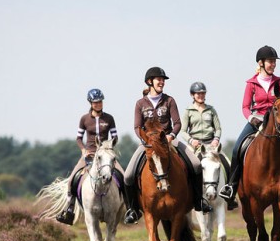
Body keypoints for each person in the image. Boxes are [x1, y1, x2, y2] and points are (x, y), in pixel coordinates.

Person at [218, 45, 280, 205]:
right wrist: (251, 118)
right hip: (257, 119)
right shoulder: (251, 83)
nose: (273, 64)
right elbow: (244, 106)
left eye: (274, 62)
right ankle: (231, 187)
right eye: (270, 61)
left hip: (276, 122)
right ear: (261, 63)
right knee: (237, 149)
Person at [123, 67, 213, 224]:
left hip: (169, 140)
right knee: (128, 175)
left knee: (196, 164)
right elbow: (137, 127)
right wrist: (145, 140)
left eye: (163, 79)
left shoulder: (169, 100)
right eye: (159, 79)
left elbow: (177, 123)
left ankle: (199, 201)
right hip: (149, 144)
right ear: (150, 81)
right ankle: (133, 209)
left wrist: (171, 136)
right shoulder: (140, 104)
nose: (162, 82)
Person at [56, 88, 123, 225]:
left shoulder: (109, 118)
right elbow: (79, 138)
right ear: (91, 103)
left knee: (124, 177)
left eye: (100, 102)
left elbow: (115, 136)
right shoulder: (84, 119)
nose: (99, 104)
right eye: (96, 102)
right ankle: (68, 210)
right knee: (71, 181)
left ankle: (130, 208)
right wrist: (83, 150)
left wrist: (109, 147)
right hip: (90, 154)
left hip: (106, 155)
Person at [179, 82, 236, 210]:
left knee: (227, 164)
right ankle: (190, 195)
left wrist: (216, 139)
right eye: (198, 93)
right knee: (187, 167)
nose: (201, 95)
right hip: (195, 145)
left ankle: (230, 197)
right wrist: (191, 140)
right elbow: (182, 131)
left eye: (203, 93)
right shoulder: (188, 111)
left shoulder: (211, 110)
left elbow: (218, 128)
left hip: (211, 144)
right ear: (192, 95)